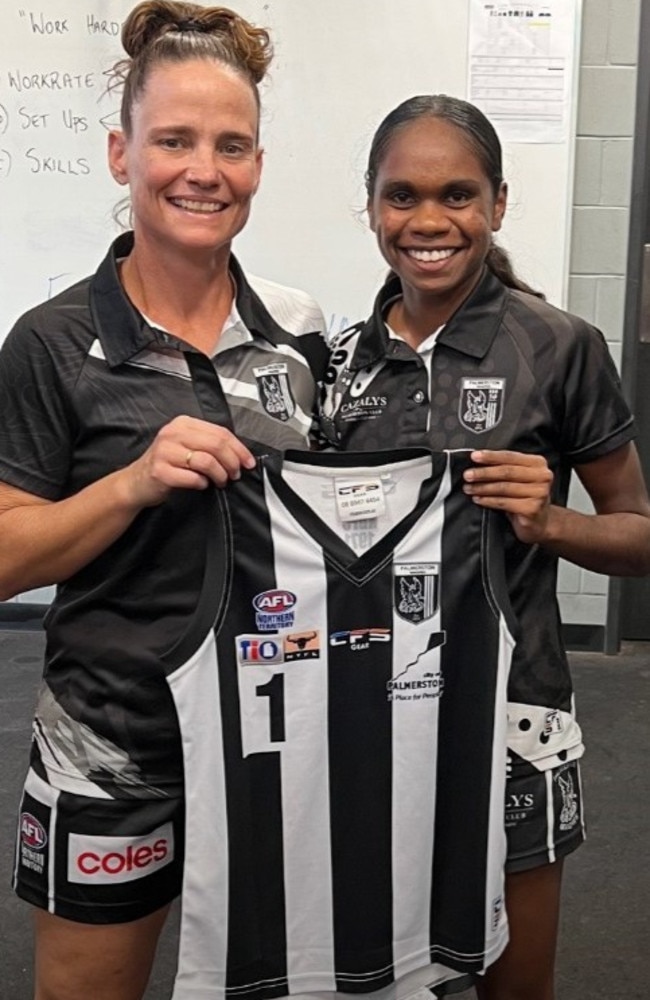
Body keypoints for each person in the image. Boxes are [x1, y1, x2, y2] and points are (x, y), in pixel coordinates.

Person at [0, 3, 326, 999]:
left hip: (276, 733)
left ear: (259, 165)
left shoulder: (302, 333)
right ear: (119, 153)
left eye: (230, 145)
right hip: (114, 737)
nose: (203, 169)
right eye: (173, 140)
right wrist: (131, 482)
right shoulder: (51, 343)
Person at [318, 94, 650, 1000]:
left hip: (515, 711)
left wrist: (553, 523)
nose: (428, 221)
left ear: (498, 203)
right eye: (401, 196)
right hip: (361, 716)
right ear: (372, 205)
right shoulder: (334, 364)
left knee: (512, 979)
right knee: (364, 967)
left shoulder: (560, 346)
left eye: (457, 194)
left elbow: (639, 532)